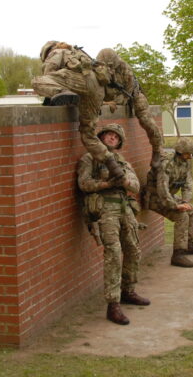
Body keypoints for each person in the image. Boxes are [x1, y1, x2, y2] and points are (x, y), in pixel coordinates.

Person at [77, 123, 150, 325]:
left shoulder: (122, 161)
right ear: (101, 137)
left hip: (124, 208)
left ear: (119, 142)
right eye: (109, 135)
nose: (112, 138)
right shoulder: (90, 158)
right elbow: (83, 184)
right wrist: (106, 184)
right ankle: (113, 304)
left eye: (116, 137)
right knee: (114, 253)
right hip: (105, 209)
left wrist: (123, 181)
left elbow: (135, 185)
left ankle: (128, 290)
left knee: (133, 249)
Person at [32, 41, 124, 179]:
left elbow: (48, 74)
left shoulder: (57, 51)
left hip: (81, 82)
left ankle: (63, 92)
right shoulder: (79, 53)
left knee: (37, 81)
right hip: (98, 90)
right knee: (88, 134)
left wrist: (55, 92)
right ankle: (116, 169)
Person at [143, 137, 193, 268]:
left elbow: (188, 184)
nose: (190, 157)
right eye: (188, 154)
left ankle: (189, 243)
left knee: (191, 210)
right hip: (155, 198)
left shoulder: (185, 163)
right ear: (180, 152)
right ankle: (178, 254)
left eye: (191, 154)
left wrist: (185, 202)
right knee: (181, 216)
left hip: (168, 196)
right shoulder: (166, 164)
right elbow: (162, 189)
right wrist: (176, 206)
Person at [95, 48, 164, 168]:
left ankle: (157, 150)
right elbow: (95, 91)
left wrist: (115, 101)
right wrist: (105, 103)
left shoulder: (125, 69)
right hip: (109, 95)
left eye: (110, 66)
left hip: (131, 94)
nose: (108, 69)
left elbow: (126, 94)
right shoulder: (96, 69)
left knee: (147, 120)